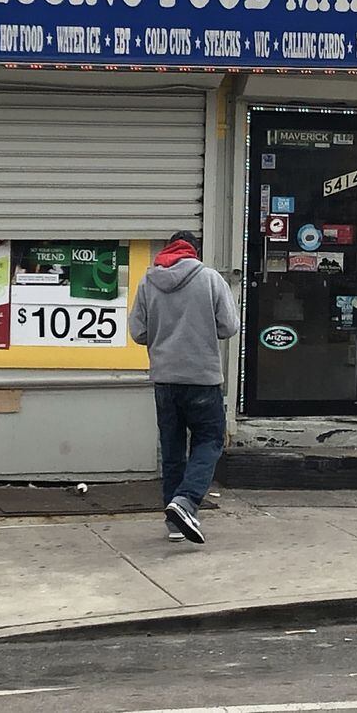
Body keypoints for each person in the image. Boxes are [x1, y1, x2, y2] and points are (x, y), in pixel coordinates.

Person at [129, 231, 239, 545]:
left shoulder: (149, 282)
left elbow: (138, 332)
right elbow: (228, 326)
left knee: (172, 448)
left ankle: (174, 523)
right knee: (209, 439)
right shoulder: (210, 279)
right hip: (202, 378)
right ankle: (187, 501)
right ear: (195, 251)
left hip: (164, 379)